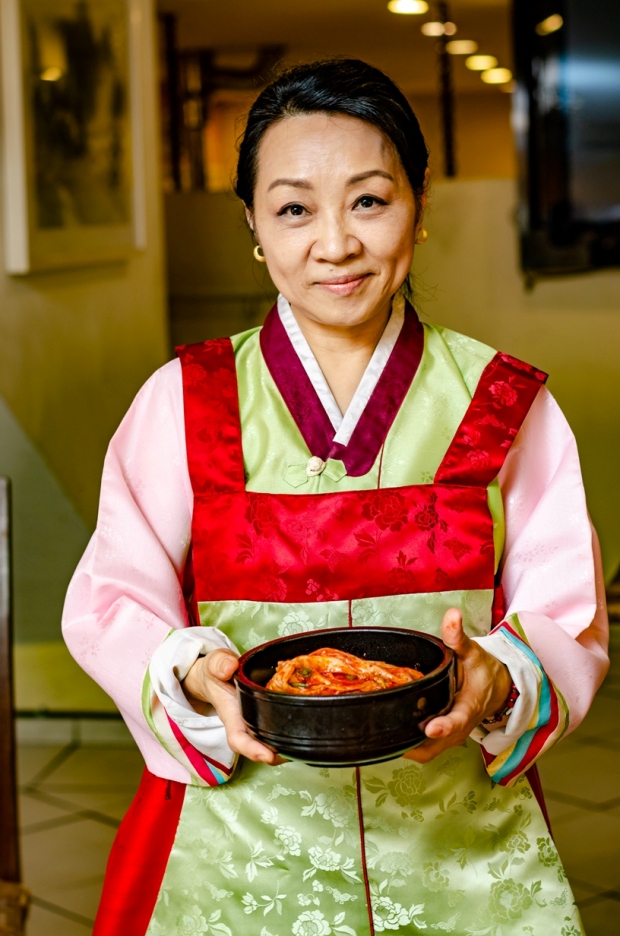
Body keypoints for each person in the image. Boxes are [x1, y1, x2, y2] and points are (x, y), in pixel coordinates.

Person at [63, 59, 609, 936]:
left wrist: (502, 672)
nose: (334, 243)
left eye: (368, 200)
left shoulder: (503, 403)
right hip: (239, 844)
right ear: (252, 225)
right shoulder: (185, 399)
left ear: (419, 206)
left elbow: (567, 611)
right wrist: (191, 673)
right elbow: (112, 597)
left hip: (459, 842)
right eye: (292, 209)